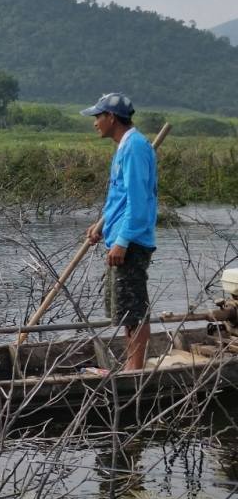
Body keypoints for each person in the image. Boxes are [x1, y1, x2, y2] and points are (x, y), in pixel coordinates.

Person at [81, 92, 157, 371]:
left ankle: (134, 372)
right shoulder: (125, 146)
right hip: (121, 236)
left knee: (134, 309)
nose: (95, 123)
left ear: (111, 118)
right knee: (126, 309)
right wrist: (102, 225)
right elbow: (121, 199)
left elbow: (138, 202)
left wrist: (123, 241)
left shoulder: (135, 147)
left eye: (98, 117)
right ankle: (130, 366)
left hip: (132, 241)